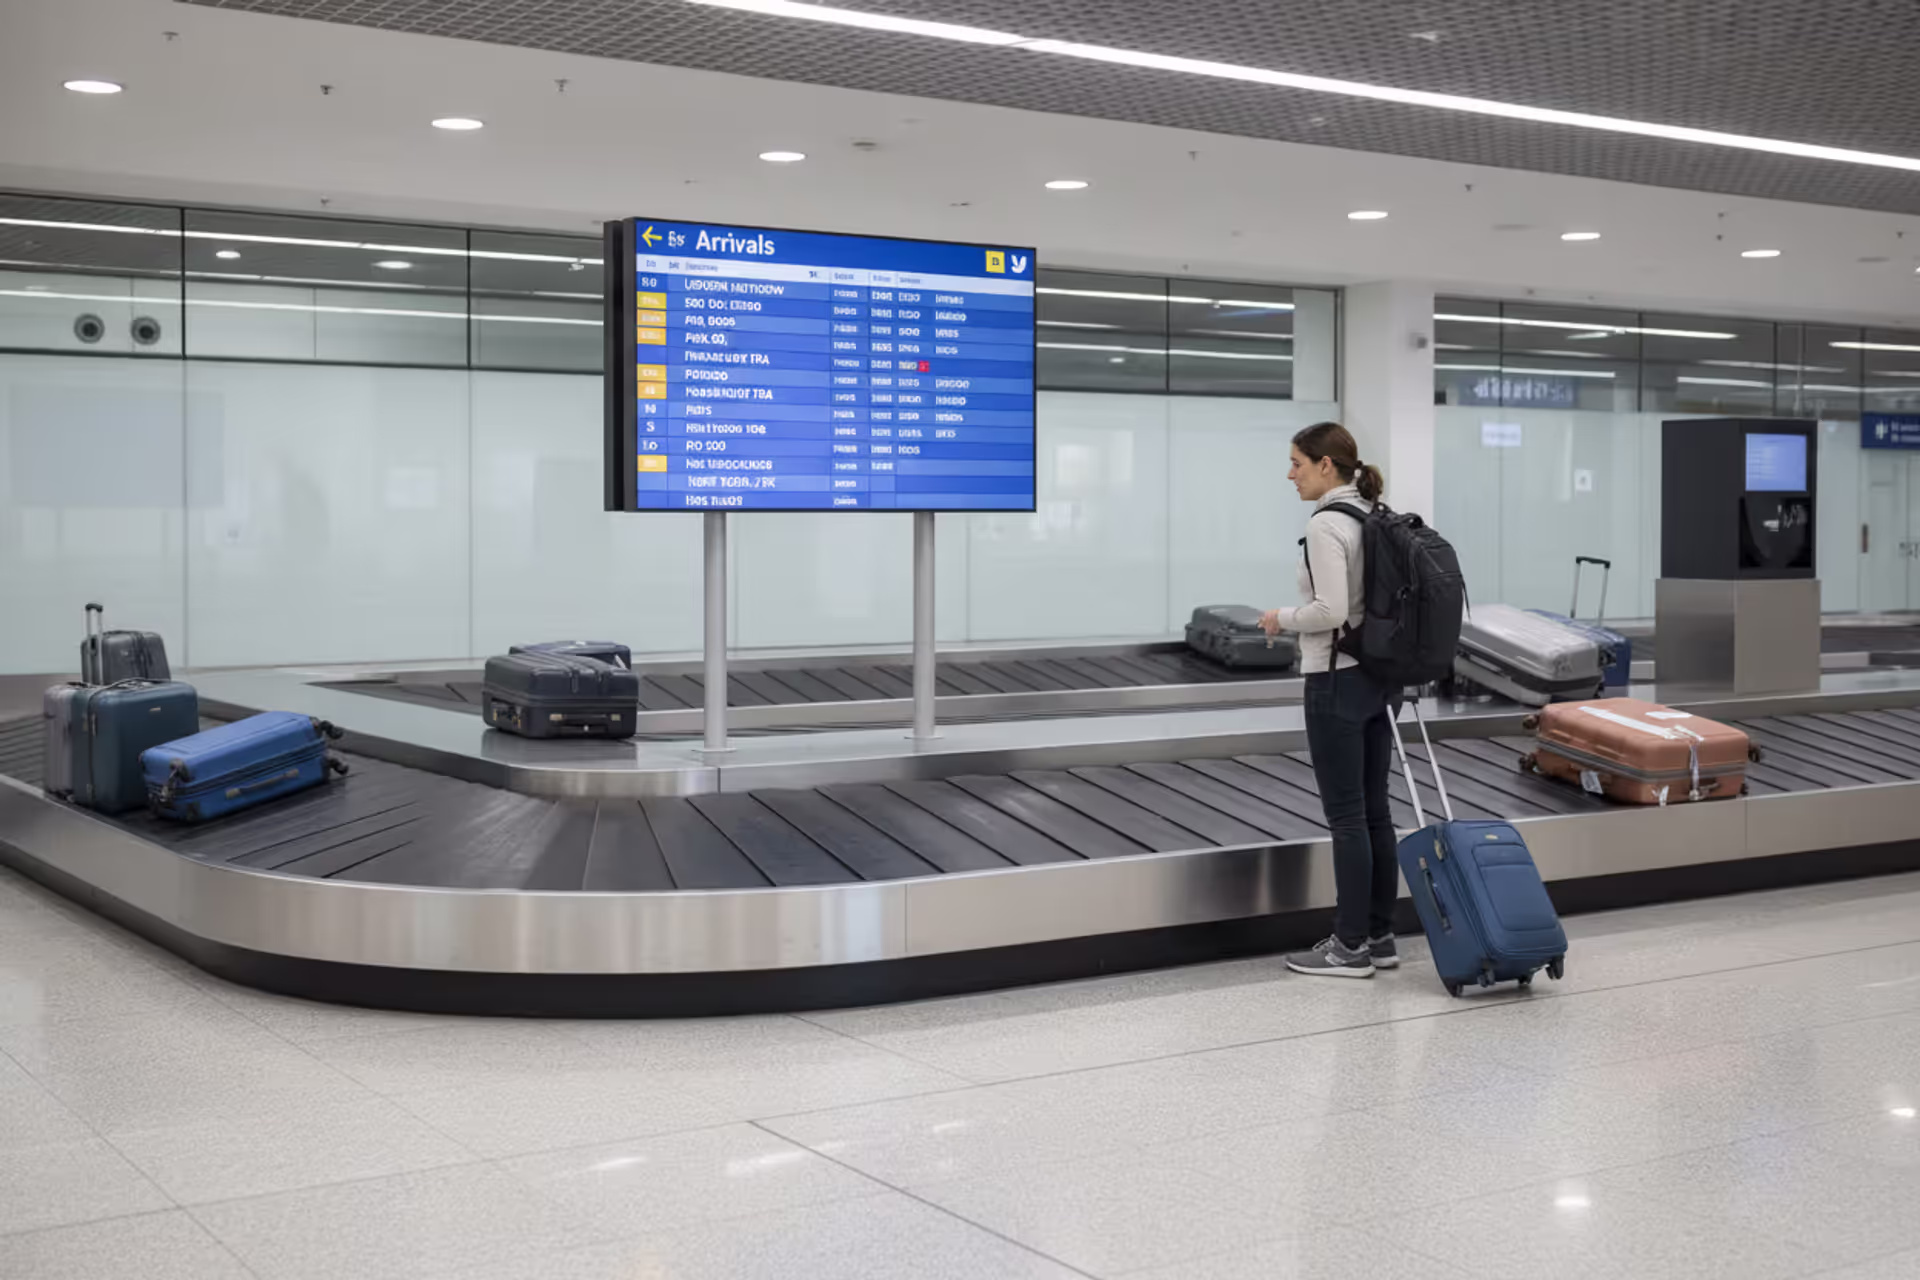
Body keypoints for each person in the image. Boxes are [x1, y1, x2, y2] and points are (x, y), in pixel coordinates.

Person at [1260, 422, 1400, 978]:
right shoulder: (1373, 515)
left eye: (1297, 463)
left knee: (1346, 817)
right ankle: (1381, 935)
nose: (1290, 474)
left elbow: (1331, 611)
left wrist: (1280, 618)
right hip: (1376, 677)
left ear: (1326, 466)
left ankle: (1349, 947)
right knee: (1375, 813)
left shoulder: (1326, 525)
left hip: (1335, 678)